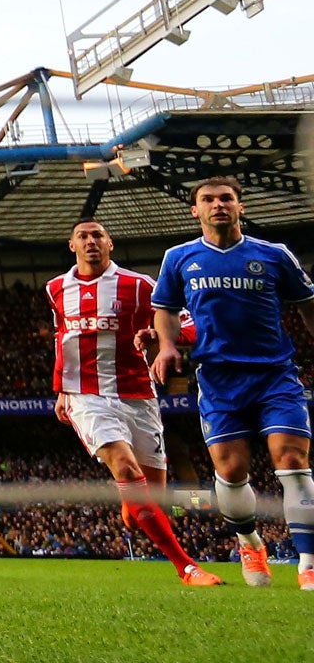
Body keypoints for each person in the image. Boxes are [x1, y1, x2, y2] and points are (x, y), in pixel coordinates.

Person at [152, 174, 314, 589]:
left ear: (241, 206)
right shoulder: (179, 257)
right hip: (219, 379)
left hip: (274, 374)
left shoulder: (275, 255)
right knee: (231, 468)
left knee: (292, 460)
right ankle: (250, 543)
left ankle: (308, 563)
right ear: (195, 210)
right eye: (208, 199)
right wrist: (168, 347)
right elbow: (166, 309)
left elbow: (307, 305)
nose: (218, 204)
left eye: (226, 198)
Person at [46, 217, 217, 584]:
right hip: (87, 396)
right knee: (125, 469)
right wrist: (62, 388)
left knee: (150, 499)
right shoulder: (56, 288)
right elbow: (64, 336)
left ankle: (133, 507)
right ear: (71, 245)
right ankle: (187, 567)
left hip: (138, 396)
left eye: (98, 236)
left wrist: (159, 333)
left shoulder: (139, 286)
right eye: (83, 236)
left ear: (111, 244)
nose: (91, 241)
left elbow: (187, 321)